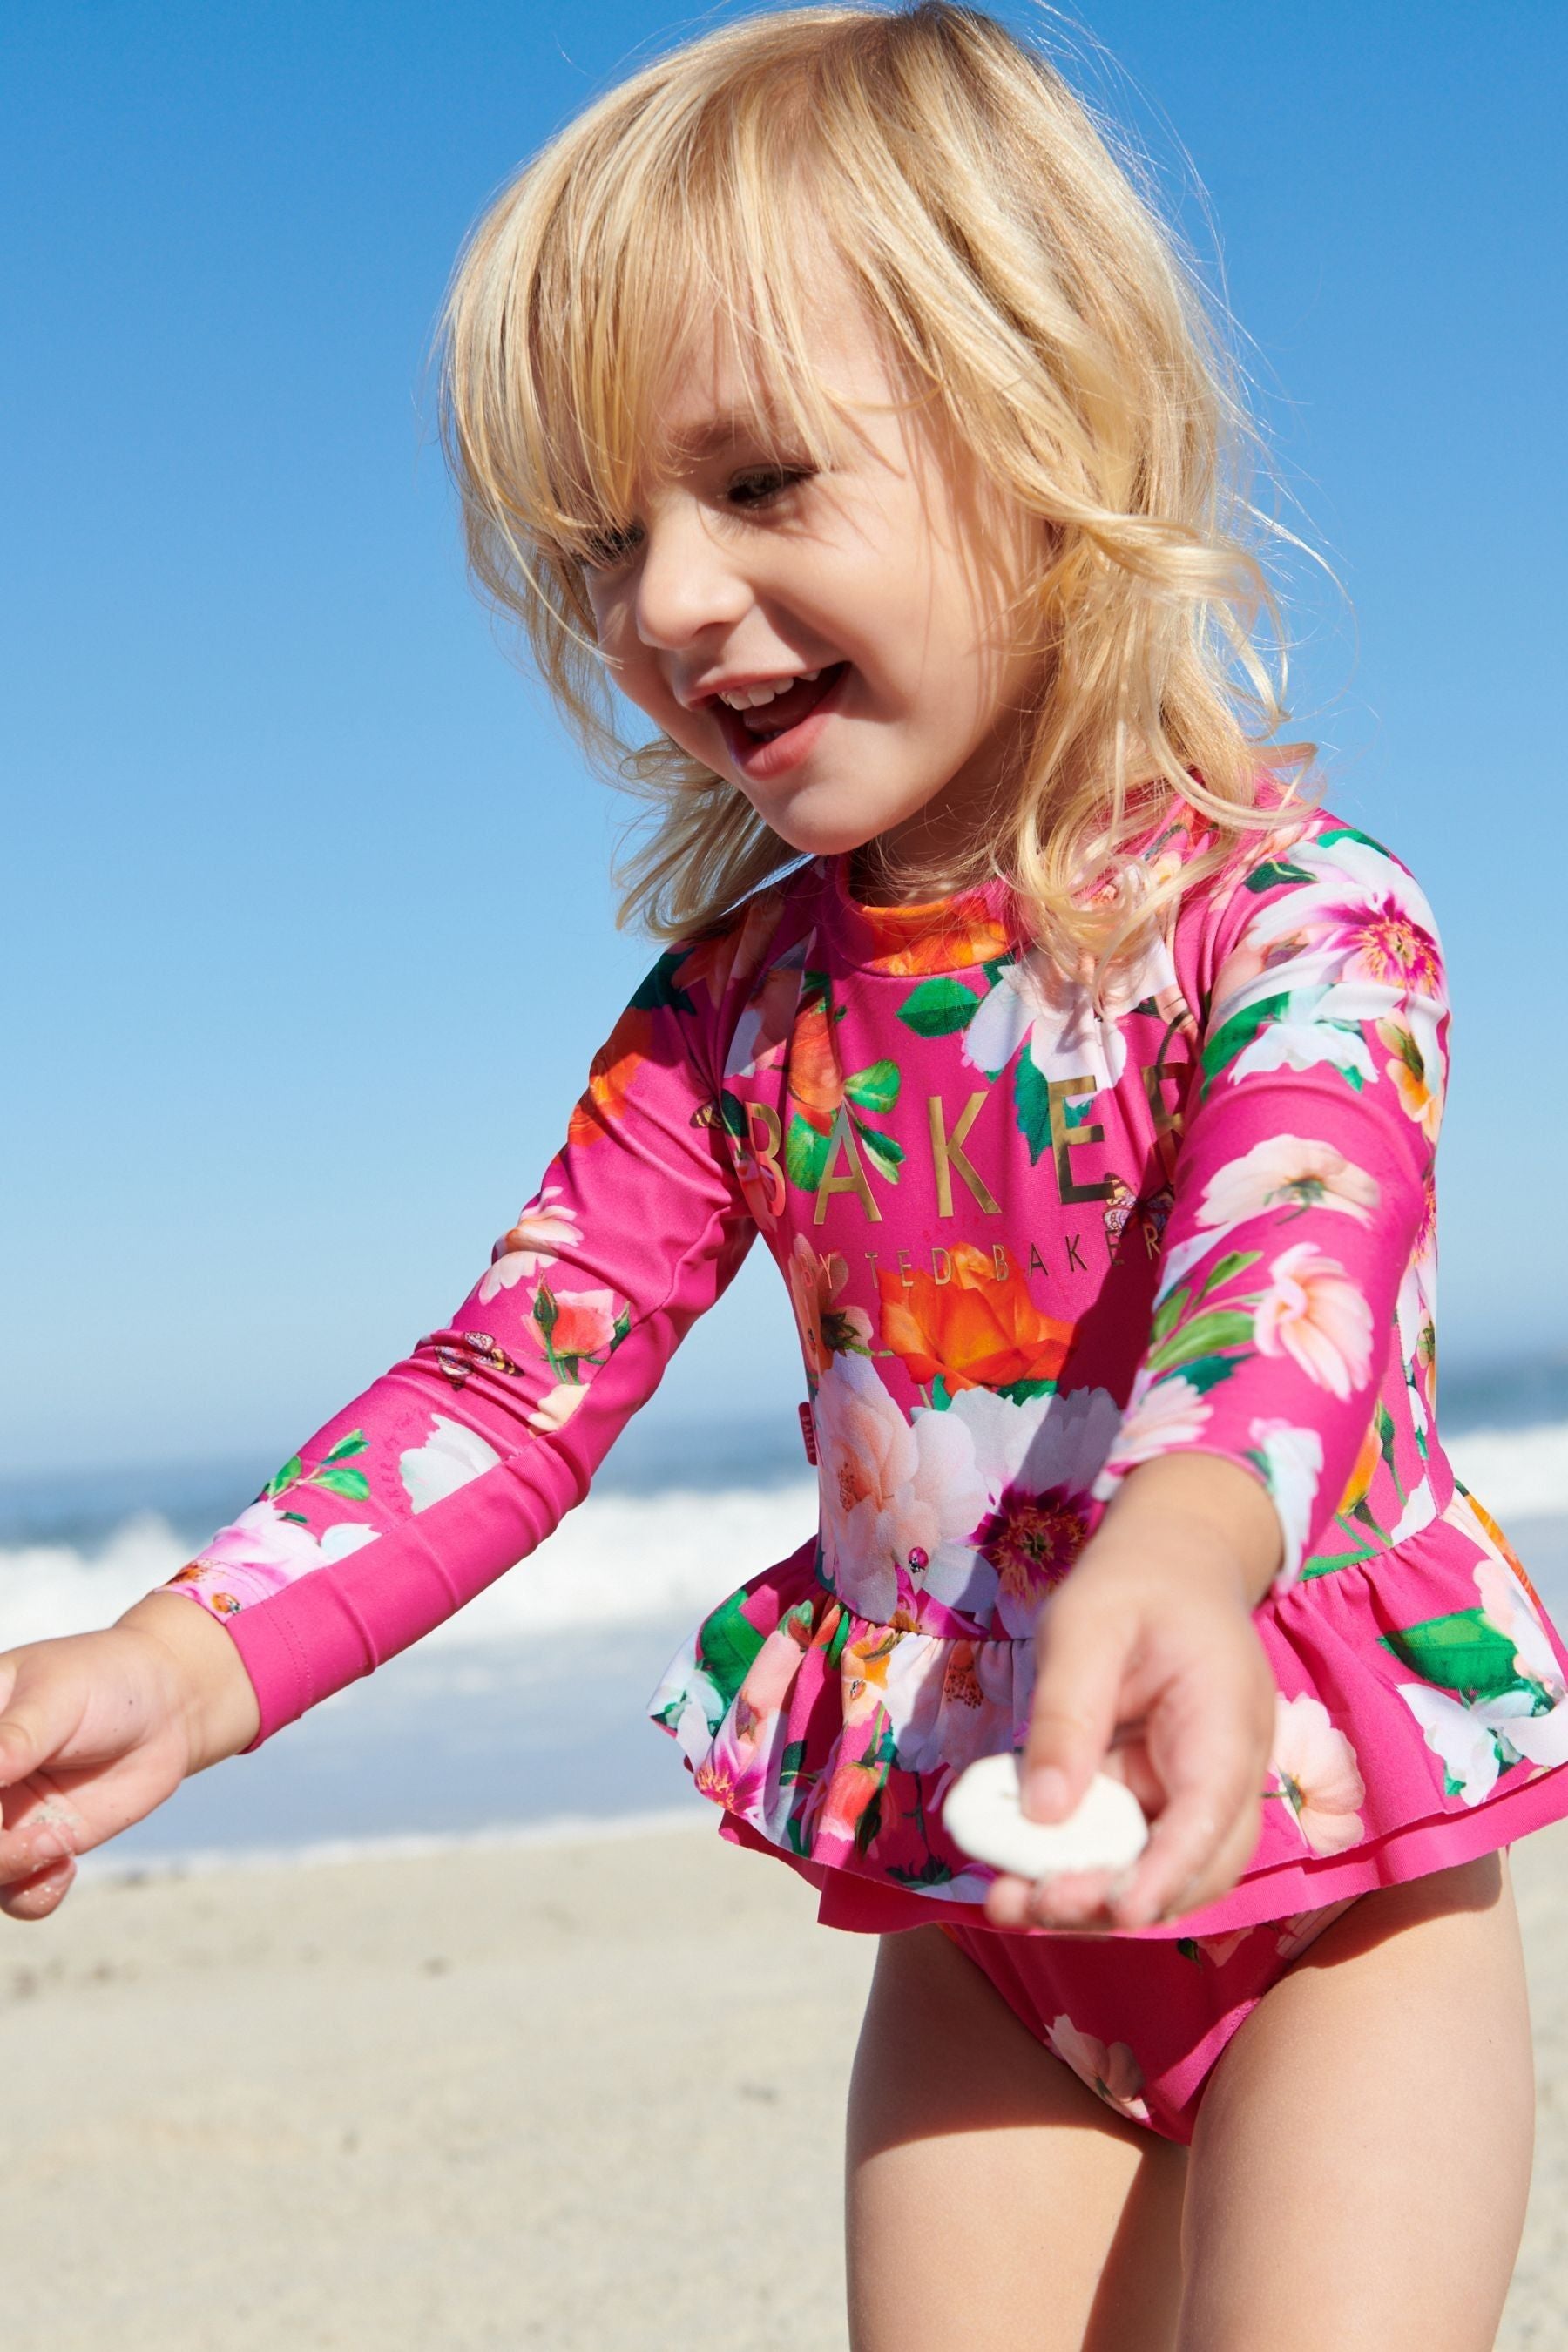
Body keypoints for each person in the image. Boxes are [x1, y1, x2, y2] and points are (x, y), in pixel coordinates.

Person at [0, 7, 1558, 2344]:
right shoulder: (735, 1023)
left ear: (1045, 420)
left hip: (1329, 1879)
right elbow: (512, 1388)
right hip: (981, 1926)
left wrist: (1186, 1539)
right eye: (611, 537)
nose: (670, 602)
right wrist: (188, 1655)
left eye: (758, 484)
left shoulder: (1298, 923)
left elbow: (1295, 1262)